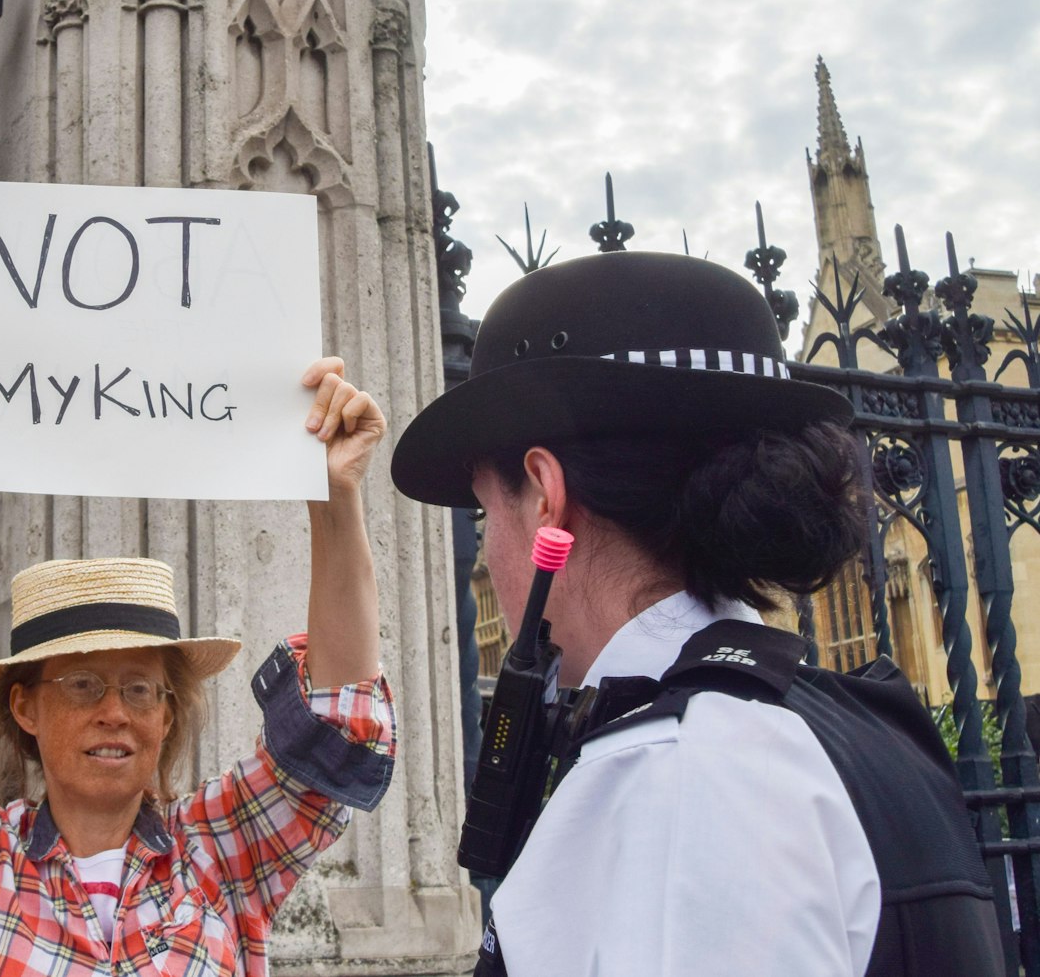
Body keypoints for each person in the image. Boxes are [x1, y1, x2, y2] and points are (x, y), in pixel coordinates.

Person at [391, 251, 1002, 977]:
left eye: (486, 512)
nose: (485, 552)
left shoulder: (673, 776)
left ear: (546, 498)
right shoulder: (851, 721)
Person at [0, 326, 396, 975]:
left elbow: (336, 727)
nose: (116, 712)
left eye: (140, 688)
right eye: (83, 684)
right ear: (23, 706)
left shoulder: (221, 855)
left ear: (167, 714)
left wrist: (336, 496)